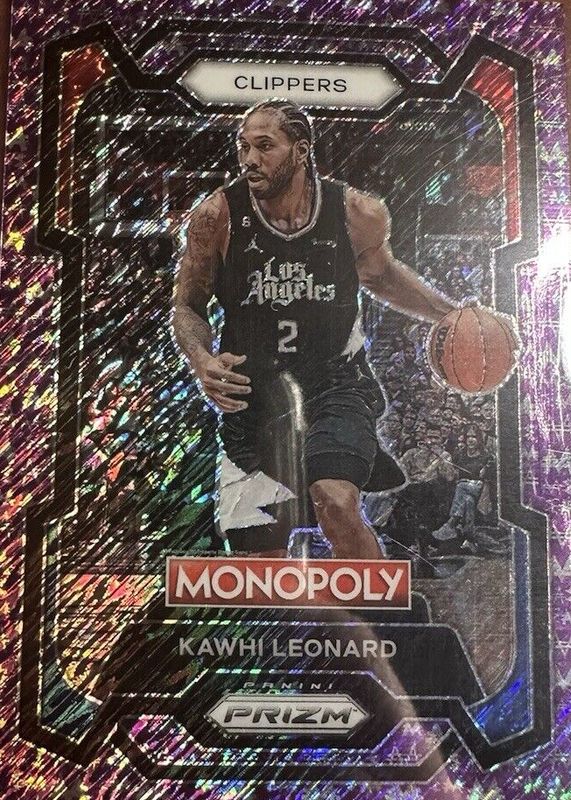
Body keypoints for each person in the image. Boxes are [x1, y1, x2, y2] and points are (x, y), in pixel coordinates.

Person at [173, 100, 455, 559]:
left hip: (335, 383)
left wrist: (448, 312)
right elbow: (188, 305)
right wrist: (201, 360)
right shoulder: (216, 216)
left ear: (301, 150)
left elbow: (381, 276)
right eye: (243, 147)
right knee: (256, 559)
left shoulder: (356, 212)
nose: (249, 160)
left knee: (336, 502)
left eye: (265, 146)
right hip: (253, 396)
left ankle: (378, 599)